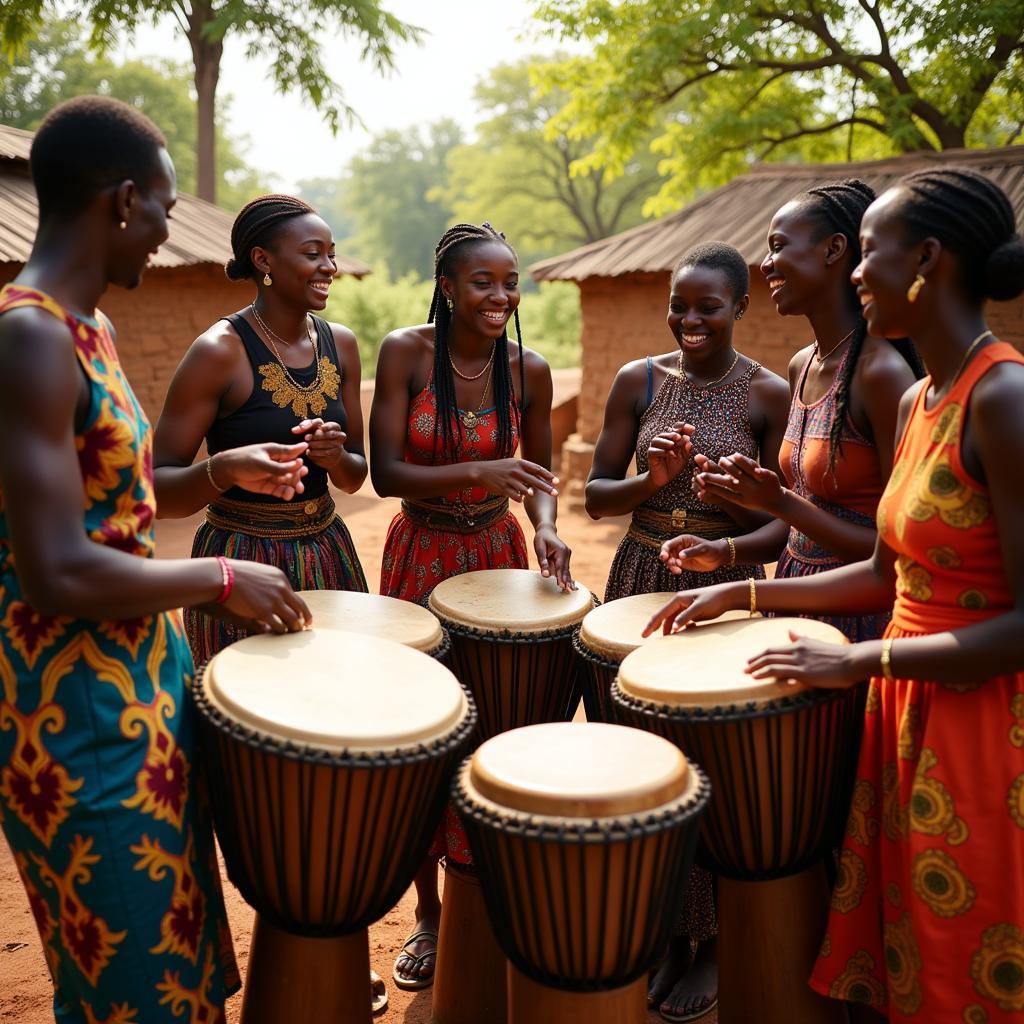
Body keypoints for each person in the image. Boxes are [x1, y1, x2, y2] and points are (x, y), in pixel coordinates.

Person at [647, 167, 1024, 1022]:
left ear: (926, 260)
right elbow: (890, 576)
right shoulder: (931, 395)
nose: (857, 273)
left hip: (981, 730)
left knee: (969, 963)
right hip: (901, 711)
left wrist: (857, 654)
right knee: (907, 952)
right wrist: (743, 589)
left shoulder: (1004, 395)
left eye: (872, 254)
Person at [0, 96, 310, 1024]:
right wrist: (222, 577)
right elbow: (58, 568)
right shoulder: (31, 337)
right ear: (124, 202)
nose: (170, 233)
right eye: (167, 210)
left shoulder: (85, 327)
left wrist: (220, 469)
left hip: (137, 690)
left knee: (173, 965)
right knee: (131, 987)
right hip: (77, 715)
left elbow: (124, 504)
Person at [585, 241, 790, 1021]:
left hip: (724, 594)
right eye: (680, 305)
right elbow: (602, 496)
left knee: (710, 765)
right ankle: (665, 928)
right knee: (641, 758)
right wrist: (655, 481)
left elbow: (784, 533)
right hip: (638, 582)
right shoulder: (637, 380)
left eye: (708, 306)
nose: (690, 320)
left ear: (741, 307)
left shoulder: (768, 396)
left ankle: (711, 944)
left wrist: (725, 506)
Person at [369, 222, 574, 990]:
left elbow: (542, 479)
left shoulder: (531, 370)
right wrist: (478, 467)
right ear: (448, 286)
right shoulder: (406, 352)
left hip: (497, 555)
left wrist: (548, 533)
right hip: (419, 556)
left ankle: (495, 896)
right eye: (482, 282)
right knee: (423, 733)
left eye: (509, 282)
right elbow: (386, 472)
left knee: (498, 725)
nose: (500, 296)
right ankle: (429, 913)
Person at [663, 181, 922, 643]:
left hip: (857, 619)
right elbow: (804, 524)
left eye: (778, 246)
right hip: (793, 600)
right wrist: (724, 551)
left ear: (834, 250)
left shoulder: (880, 374)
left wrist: (776, 502)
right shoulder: (803, 365)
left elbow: (898, 554)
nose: (764, 264)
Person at [153, 195, 368, 667]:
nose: (329, 266)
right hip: (243, 560)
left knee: (340, 707)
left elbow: (355, 476)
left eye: (331, 253)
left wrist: (334, 457)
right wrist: (224, 469)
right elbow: (156, 491)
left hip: (329, 550)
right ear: (263, 260)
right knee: (254, 721)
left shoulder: (342, 344)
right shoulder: (220, 352)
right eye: (313, 254)